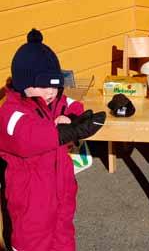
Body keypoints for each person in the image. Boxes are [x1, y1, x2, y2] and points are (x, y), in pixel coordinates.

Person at [0, 29, 106, 251]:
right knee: (33, 242)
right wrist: (65, 132)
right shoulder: (12, 112)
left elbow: (73, 104)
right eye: (43, 85)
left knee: (63, 237)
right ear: (23, 83)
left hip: (61, 191)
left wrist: (73, 117)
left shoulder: (55, 99)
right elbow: (26, 138)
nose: (50, 91)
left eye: (55, 85)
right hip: (31, 200)